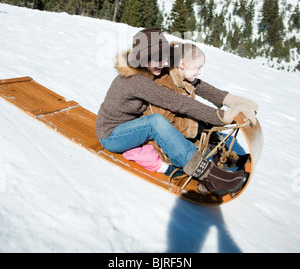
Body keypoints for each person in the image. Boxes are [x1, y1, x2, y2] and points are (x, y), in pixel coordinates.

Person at [96, 27, 258, 196]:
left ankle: (221, 157)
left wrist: (229, 100)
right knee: (156, 122)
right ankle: (209, 176)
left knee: (189, 118)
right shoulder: (136, 81)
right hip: (111, 135)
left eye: (165, 57)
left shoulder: (153, 66)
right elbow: (178, 102)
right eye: (157, 59)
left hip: (133, 126)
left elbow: (190, 79)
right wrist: (221, 117)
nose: (164, 63)